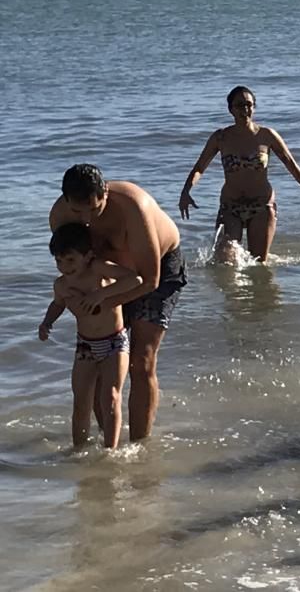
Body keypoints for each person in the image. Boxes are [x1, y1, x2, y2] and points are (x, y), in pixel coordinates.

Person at [49, 164, 187, 441]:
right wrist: (76, 305)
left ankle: (139, 445)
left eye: (94, 209)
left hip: (157, 270)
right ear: (66, 201)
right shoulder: (61, 216)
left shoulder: (133, 207)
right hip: (109, 277)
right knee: (102, 362)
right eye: (78, 212)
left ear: (105, 194)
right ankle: (107, 445)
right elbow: (74, 269)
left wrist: (103, 299)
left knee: (141, 360)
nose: (86, 219)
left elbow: (149, 281)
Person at [178, 86, 300, 262]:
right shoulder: (221, 137)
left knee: (258, 264)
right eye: (239, 105)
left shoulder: (267, 135)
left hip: (262, 206)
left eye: (249, 105)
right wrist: (186, 192)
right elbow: (200, 167)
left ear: (254, 107)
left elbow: (290, 163)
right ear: (230, 109)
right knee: (225, 264)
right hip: (231, 206)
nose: (245, 110)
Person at [39, 223, 143, 448]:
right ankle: (78, 450)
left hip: (114, 342)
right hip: (85, 346)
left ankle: (110, 451)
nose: (64, 267)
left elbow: (135, 280)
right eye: (59, 261)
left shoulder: (99, 269)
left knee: (111, 398)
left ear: (87, 256)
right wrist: (47, 322)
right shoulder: (62, 285)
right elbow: (57, 304)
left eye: (70, 260)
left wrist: (101, 295)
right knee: (81, 403)